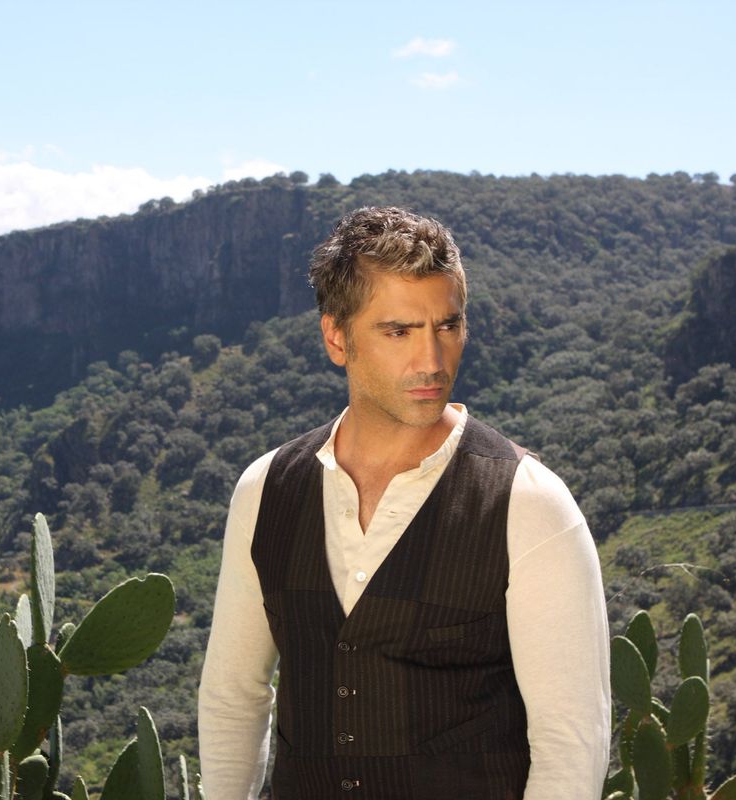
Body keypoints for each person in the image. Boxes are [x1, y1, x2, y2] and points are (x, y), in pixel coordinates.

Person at [198, 206, 610, 799]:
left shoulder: (529, 504)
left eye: (447, 326)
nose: (432, 362)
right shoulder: (266, 490)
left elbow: (573, 743)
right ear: (337, 338)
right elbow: (233, 695)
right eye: (399, 332)